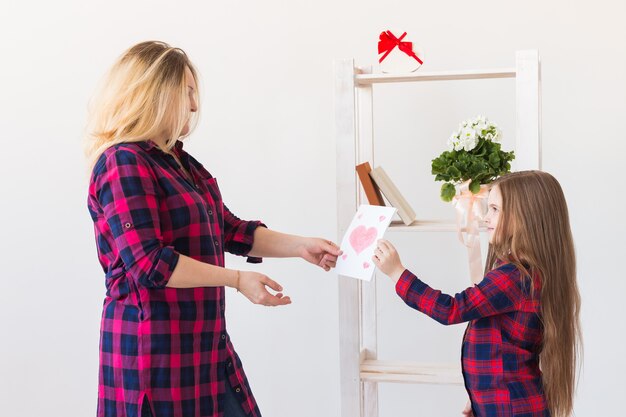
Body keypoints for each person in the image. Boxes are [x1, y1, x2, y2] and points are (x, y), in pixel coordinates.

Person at [84, 41, 341, 417]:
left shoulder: (179, 161)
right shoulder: (123, 163)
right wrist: (237, 279)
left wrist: (302, 246)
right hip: (154, 358)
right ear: (155, 93)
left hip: (205, 349)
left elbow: (230, 229)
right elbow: (150, 264)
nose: (193, 104)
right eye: (186, 92)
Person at [372, 171, 581, 417]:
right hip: (507, 404)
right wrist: (481, 397)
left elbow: (451, 309)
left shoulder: (513, 277)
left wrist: (398, 273)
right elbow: (504, 349)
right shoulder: (523, 273)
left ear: (524, 218)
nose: (485, 217)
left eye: (494, 209)